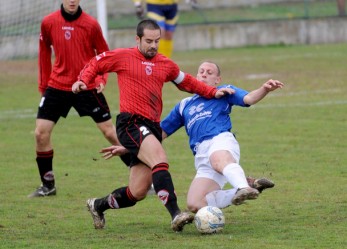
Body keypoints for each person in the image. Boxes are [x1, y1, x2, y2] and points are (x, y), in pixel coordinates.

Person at [72, 19, 234, 232]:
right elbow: (97, 62)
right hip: (131, 122)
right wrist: (83, 79)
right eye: (149, 41)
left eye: (157, 41)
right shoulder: (123, 56)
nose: (154, 46)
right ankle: (176, 214)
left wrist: (213, 92)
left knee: (136, 191)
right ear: (137, 39)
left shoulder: (165, 64)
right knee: (160, 159)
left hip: (151, 127)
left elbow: (187, 82)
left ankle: (98, 205)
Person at [100, 61, 280, 213]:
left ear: (217, 80)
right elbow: (158, 134)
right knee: (195, 204)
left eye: (209, 73)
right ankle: (246, 189)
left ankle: (244, 187)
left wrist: (264, 89)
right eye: (201, 72)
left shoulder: (224, 91)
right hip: (201, 156)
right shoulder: (184, 105)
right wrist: (129, 147)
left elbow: (248, 99)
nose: (204, 75)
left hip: (220, 141)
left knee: (218, 160)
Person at [28, 0, 119, 198]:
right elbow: (44, 53)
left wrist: (102, 77)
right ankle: (48, 185)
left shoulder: (91, 24)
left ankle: (143, 178)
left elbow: (104, 54)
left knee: (110, 133)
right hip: (57, 86)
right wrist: (43, 86)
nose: (72, 0)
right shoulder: (49, 22)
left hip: (86, 85)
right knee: (40, 134)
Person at [132, 0, 196, 58]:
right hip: (154, 5)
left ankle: (166, 60)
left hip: (172, 5)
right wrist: (138, 4)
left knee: (169, 35)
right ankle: (158, 59)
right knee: (160, 32)